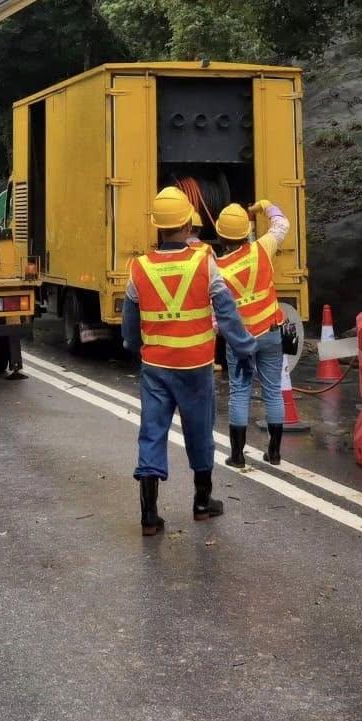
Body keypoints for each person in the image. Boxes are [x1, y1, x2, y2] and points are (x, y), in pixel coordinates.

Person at [123, 186, 256, 536]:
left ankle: (149, 515)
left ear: (157, 226)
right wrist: (244, 348)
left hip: (156, 366)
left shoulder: (138, 267)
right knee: (199, 431)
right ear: (186, 224)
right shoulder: (203, 261)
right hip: (195, 366)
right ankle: (201, 502)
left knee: (152, 433)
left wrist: (137, 347)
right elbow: (226, 311)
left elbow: (129, 325)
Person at [213, 199, 291, 468]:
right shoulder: (261, 249)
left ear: (221, 236)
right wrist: (267, 206)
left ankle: (237, 456)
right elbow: (282, 225)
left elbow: (217, 315)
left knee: (239, 392)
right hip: (271, 332)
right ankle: (275, 453)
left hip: (240, 340)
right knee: (272, 390)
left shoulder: (217, 270)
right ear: (246, 232)